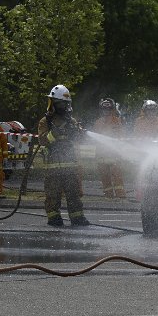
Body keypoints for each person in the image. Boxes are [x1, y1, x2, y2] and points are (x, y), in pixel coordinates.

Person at [37, 85, 90, 227]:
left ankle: (77, 217)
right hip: (52, 167)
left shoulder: (72, 121)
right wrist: (57, 131)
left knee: (74, 194)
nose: (63, 107)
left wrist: (79, 132)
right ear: (53, 103)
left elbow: (80, 140)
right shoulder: (45, 121)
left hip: (71, 167)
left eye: (65, 104)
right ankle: (54, 218)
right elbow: (42, 140)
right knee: (52, 195)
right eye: (60, 103)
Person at [93, 98, 126, 199]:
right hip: (101, 154)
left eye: (108, 109)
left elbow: (120, 136)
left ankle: (120, 195)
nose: (106, 111)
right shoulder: (97, 122)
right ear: (101, 110)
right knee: (105, 175)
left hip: (113, 153)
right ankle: (108, 195)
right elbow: (95, 138)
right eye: (104, 109)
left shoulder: (117, 121)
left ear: (112, 109)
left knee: (117, 174)